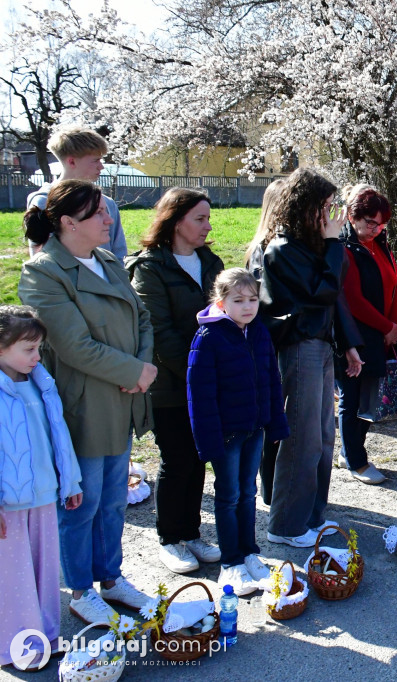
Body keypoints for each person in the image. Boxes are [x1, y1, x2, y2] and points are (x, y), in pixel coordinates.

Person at [20, 179, 155, 625]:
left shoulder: (107, 259)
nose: (108, 218)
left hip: (122, 396)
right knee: (83, 501)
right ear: (66, 223)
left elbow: (143, 316)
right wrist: (134, 372)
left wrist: (143, 367)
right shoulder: (43, 273)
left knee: (115, 498)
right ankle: (80, 588)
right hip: (85, 405)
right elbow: (74, 346)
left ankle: (111, 579)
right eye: (97, 212)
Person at [258, 168, 362, 548]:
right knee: (301, 438)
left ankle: (311, 516)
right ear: (306, 207)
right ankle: (285, 525)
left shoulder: (312, 245)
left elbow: (335, 294)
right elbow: (323, 290)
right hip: (299, 347)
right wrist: (334, 244)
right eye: (325, 205)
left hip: (320, 345)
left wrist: (347, 342)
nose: (331, 213)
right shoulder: (283, 249)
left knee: (321, 437)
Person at [126, 188, 225, 575]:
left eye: (208, 217)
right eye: (200, 218)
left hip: (206, 379)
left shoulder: (209, 261)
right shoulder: (149, 267)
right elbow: (158, 331)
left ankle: (191, 532)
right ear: (176, 219)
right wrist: (197, 371)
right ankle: (169, 538)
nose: (207, 225)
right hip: (170, 383)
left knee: (199, 456)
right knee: (177, 457)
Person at [188, 268, 288, 594]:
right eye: (238, 300)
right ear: (221, 302)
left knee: (248, 493)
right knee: (228, 496)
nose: (248, 306)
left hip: (255, 428)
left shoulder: (258, 332)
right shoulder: (208, 339)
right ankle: (230, 563)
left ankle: (249, 553)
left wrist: (275, 422)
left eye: (253, 299)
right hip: (227, 436)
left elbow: (272, 380)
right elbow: (199, 398)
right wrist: (209, 444)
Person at [0, 306, 82, 671]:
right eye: (28, 349)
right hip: (9, 505)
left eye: (38, 348)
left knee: (46, 571)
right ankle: (18, 647)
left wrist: (70, 480)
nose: (37, 356)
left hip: (45, 495)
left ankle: (46, 636)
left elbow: (57, 436)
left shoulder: (40, 383)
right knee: (13, 576)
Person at [338, 186, 397, 484]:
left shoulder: (379, 243)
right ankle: (356, 461)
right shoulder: (345, 248)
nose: (376, 229)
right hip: (356, 336)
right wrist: (386, 326)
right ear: (352, 217)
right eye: (370, 223)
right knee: (352, 399)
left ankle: (349, 451)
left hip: (380, 333)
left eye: (382, 224)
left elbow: (395, 286)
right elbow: (353, 300)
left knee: (369, 398)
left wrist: (393, 324)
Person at [26, 126, 127, 262]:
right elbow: (41, 257)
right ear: (72, 161)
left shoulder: (107, 203)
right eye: (95, 160)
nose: (101, 166)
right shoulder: (44, 202)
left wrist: (116, 280)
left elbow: (119, 254)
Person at [244, 177, 286, 505]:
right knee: (272, 419)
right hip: (270, 345)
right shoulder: (264, 249)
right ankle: (271, 490)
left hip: (278, 343)